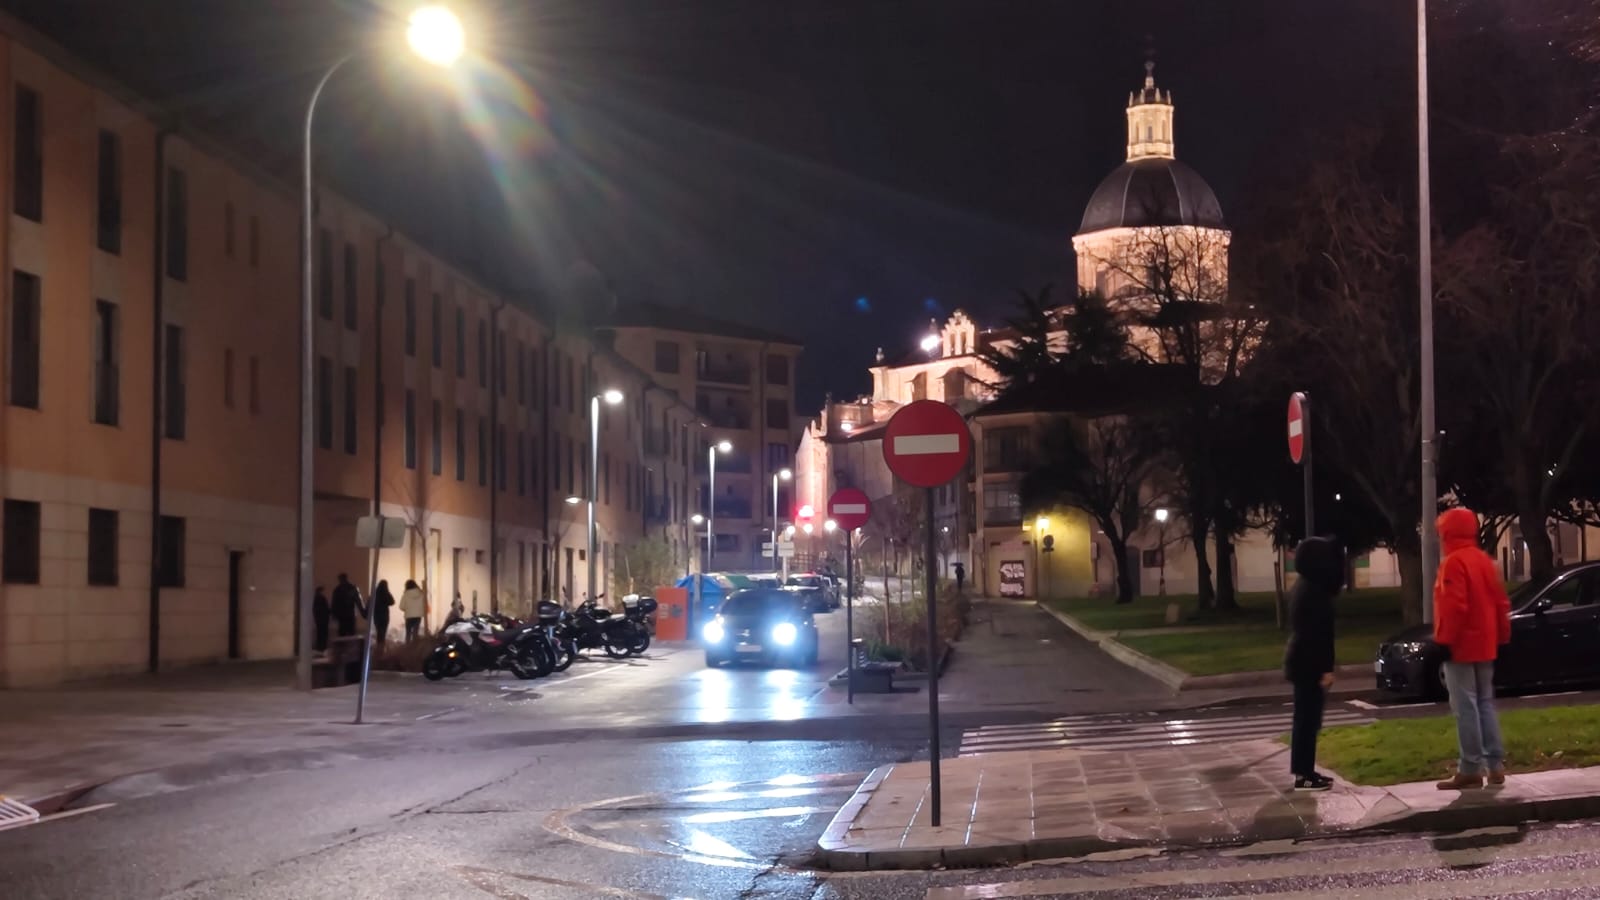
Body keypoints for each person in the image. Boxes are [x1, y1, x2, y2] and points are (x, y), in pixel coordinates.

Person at [1433, 507, 1513, 790]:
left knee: (1465, 706)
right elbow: (1501, 603)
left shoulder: (1453, 563)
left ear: (1447, 532)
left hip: (1462, 644)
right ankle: (1495, 765)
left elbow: (1453, 607)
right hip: (1486, 642)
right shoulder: (1485, 562)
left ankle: (1470, 768)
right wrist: (1501, 636)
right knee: (1485, 703)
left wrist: (1443, 641)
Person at [1283, 536, 1344, 792]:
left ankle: (1305, 771)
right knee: (1307, 720)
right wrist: (1325, 669)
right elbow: (1318, 635)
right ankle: (1304, 774)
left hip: (1302, 661)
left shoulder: (1306, 587)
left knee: (1307, 719)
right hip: (1308, 664)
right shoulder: (1314, 592)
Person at [331, 573, 364, 638]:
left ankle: (343, 647)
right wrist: (363, 612)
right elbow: (358, 601)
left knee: (343, 634)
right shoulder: (352, 588)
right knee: (350, 634)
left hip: (343, 615)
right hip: (350, 615)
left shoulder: (337, 590)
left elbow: (334, 604)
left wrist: (334, 614)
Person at [371, 579, 395, 646]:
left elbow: (371, 602)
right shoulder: (386, 593)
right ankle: (382, 645)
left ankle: (379, 645)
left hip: (377, 615)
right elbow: (392, 602)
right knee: (383, 631)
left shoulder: (375, 593)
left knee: (379, 631)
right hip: (385, 615)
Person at [312, 586, 330, 653]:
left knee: (320, 633)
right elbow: (326, 609)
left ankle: (320, 646)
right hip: (323, 619)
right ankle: (322, 646)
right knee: (323, 633)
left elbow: (314, 610)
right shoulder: (322, 598)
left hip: (319, 619)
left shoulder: (316, 599)